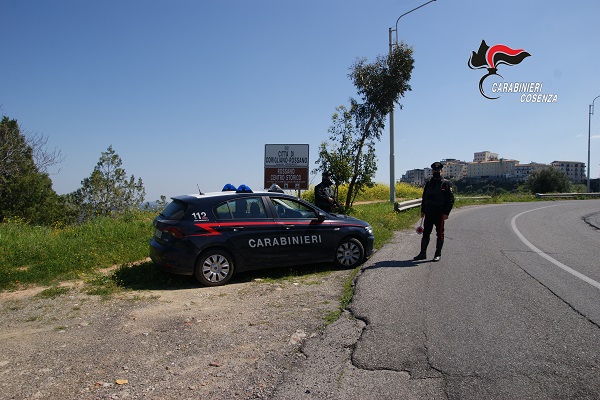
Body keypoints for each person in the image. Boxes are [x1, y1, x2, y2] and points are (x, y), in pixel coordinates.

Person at [413, 161, 455, 262]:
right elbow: (424, 198)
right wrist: (422, 211)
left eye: (438, 170)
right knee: (426, 233)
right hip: (429, 213)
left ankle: (437, 254)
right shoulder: (428, 184)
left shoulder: (446, 184)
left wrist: (446, 213)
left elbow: (450, 200)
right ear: (432, 171)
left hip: (440, 213)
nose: (436, 172)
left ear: (441, 171)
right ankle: (422, 253)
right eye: (434, 170)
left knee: (439, 234)